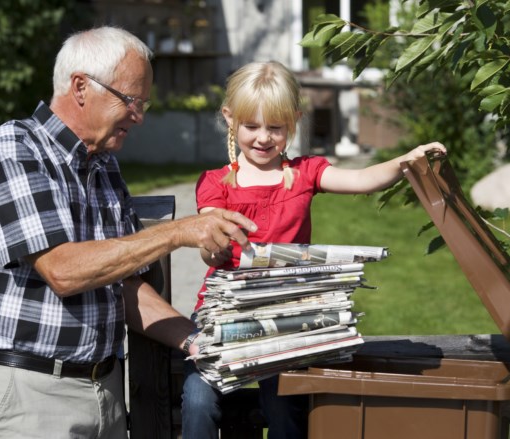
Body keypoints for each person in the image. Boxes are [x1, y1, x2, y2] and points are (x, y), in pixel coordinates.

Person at [0, 26, 257, 439]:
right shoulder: (14, 148)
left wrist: (202, 342)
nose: (138, 116)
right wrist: (177, 232)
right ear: (81, 87)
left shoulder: (102, 166)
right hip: (31, 397)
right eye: (131, 100)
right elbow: (64, 270)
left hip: (105, 392)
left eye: (144, 104)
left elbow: (123, 289)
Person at [180, 60, 446, 439]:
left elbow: (361, 179)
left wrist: (404, 161)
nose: (262, 138)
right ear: (230, 119)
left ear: (294, 121)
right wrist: (215, 252)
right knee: (198, 399)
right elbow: (208, 243)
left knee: (284, 402)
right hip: (227, 315)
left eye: (275, 128)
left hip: (288, 316)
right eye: (251, 126)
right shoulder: (215, 184)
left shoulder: (305, 173)